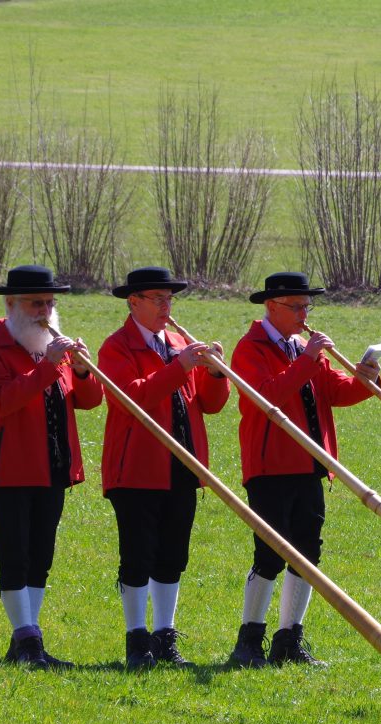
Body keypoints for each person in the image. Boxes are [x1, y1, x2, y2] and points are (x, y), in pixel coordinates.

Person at [227, 271, 381, 668]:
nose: (303, 314)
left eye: (307, 307)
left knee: (308, 552)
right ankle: (249, 640)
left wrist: (366, 378)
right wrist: (308, 360)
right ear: (271, 307)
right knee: (270, 553)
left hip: (311, 463)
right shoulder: (250, 348)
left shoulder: (303, 347)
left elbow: (336, 392)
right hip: (270, 466)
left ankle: (289, 639)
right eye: (296, 307)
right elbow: (266, 397)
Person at [0, 264, 102, 669]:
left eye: (49, 303)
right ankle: (28, 640)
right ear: (11, 304)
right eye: (35, 303)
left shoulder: (52, 347)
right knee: (16, 556)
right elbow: (2, 401)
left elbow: (89, 401)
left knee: (41, 556)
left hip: (53, 468)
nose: (44, 311)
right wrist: (48, 367)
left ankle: (27, 640)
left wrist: (82, 370)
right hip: (10, 469)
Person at [98, 266, 229, 670]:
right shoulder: (116, 348)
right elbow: (131, 399)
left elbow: (210, 405)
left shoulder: (178, 343)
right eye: (158, 299)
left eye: (169, 299)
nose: (166, 307)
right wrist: (179, 367)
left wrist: (214, 373)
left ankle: (164, 635)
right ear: (133, 302)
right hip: (137, 469)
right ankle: (136, 639)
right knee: (138, 555)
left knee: (173, 555)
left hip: (182, 465)